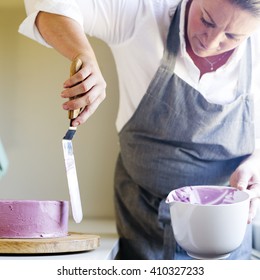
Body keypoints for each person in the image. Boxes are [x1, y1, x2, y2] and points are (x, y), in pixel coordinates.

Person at [19, 0, 260, 259]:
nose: (211, 42)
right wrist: (83, 55)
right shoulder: (143, 13)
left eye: (232, 36)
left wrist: (256, 163)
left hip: (226, 238)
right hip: (141, 229)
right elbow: (47, 5)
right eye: (206, 20)